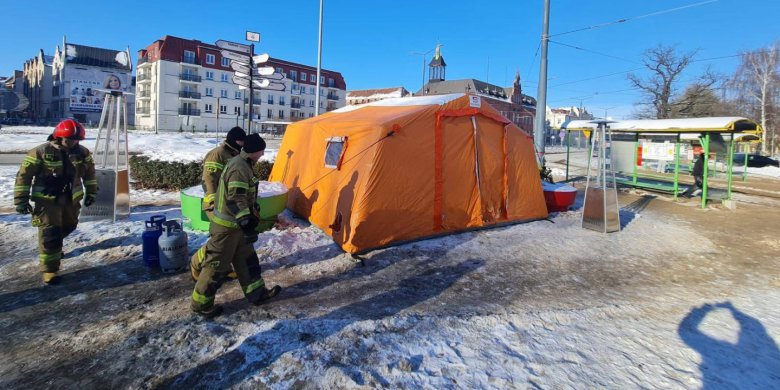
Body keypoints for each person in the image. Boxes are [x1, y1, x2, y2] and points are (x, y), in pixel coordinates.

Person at [190, 134, 281, 317]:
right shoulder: (239, 167)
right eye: (262, 151)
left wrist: (250, 214)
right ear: (255, 150)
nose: (263, 155)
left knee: (247, 262)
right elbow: (235, 197)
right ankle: (201, 304)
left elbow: (245, 195)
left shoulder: (243, 164)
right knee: (216, 266)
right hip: (227, 229)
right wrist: (245, 220)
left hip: (236, 228)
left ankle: (257, 294)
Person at [14, 119, 97, 284]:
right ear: (59, 137)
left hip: (71, 200)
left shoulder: (82, 153)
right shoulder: (40, 152)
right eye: (69, 140)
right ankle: (50, 271)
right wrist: (20, 201)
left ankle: (55, 246)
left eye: (76, 140)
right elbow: (23, 177)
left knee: (69, 225)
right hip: (47, 201)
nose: (73, 143)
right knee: (50, 232)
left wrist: (91, 193)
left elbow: (90, 174)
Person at [190, 126, 245, 279]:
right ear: (234, 140)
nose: (242, 144)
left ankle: (224, 268)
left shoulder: (232, 154)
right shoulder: (218, 154)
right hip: (216, 204)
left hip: (227, 204)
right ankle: (195, 263)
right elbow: (210, 179)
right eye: (241, 141)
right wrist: (214, 202)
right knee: (219, 241)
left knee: (228, 240)